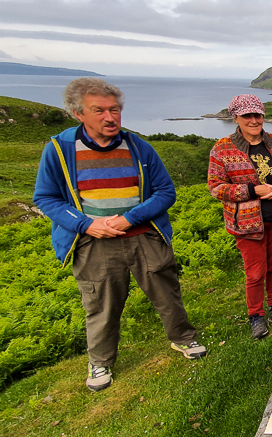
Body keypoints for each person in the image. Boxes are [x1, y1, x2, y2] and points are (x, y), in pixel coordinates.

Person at [34, 78, 206, 392]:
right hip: (94, 242)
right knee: (101, 302)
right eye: (98, 110)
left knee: (167, 292)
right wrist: (87, 224)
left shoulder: (139, 146)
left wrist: (129, 219)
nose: (110, 117)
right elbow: (45, 198)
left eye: (114, 109)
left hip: (142, 236)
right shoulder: (59, 149)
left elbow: (166, 192)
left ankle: (183, 338)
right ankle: (100, 361)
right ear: (78, 113)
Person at [208, 95, 272, 339]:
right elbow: (216, 187)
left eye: (257, 115)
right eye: (247, 116)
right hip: (247, 224)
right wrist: (252, 190)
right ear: (235, 118)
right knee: (255, 271)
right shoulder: (222, 148)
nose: (253, 120)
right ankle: (256, 316)